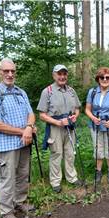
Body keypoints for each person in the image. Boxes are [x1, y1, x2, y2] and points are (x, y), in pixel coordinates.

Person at [0, 58, 36, 218]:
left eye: (12, 71)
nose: (10, 74)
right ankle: (6, 213)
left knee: (22, 175)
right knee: (6, 179)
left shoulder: (21, 91)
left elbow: (31, 113)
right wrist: (24, 131)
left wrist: (29, 126)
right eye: (6, 71)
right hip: (5, 147)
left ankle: (20, 203)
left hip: (23, 143)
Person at [37, 64, 82, 193]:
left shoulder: (71, 91)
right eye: (59, 74)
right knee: (56, 154)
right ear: (54, 75)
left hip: (70, 126)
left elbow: (77, 109)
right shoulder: (48, 91)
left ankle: (72, 178)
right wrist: (57, 123)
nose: (62, 77)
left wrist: (75, 117)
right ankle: (55, 182)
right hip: (55, 127)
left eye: (64, 74)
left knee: (70, 153)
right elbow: (42, 115)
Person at [85, 67, 109, 185]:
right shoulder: (92, 92)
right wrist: (93, 118)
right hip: (95, 126)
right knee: (98, 149)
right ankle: (98, 171)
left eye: (107, 77)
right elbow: (87, 109)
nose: (105, 79)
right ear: (98, 79)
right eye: (102, 77)